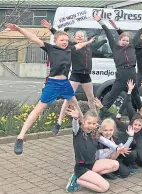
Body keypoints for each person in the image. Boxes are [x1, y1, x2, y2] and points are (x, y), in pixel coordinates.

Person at [6, 23, 94, 155]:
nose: (64, 42)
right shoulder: (50, 48)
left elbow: (79, 45)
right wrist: (19, 29)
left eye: (66, 40)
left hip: (65, 83)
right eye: (62, 40)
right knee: (38, 109)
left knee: (76, 105)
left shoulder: (69, 49)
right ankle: (20, 137)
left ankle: (87, 130)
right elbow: (33, 38)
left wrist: (88, 41)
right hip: (53, 83)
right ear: (55, 41)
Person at [40, 19, 108, 135]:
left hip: (86, 76)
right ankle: (59, 123)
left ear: (85, 38)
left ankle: (94, 119)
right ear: (74, 38)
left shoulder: (89, 47)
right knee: (68, 99)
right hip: (75, 75)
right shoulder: (71, 46)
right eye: (78, 36)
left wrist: (104, 37)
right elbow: (59, 35)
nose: (80, 38)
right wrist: (51, 28)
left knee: (91, 98)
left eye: (82, 36)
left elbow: (99, 42)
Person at [64, 108, 130, 193]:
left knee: (115, 165)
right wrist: (75, 118)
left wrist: (117, 148)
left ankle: (89, 177)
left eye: (94, 123)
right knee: (105, 187)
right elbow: (75, 125)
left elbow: (106, 141)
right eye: (89, 123)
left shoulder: (94, 133)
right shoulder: (78, 132)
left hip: (92, 164)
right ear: (83, 121)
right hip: (81, 168)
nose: (91, 125)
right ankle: (77, 180)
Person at [95, 15, 142, 112]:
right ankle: (101, 115)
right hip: (121, 73)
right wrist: (101, 21)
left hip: (132, 72)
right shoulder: (115, 47)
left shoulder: (131, 46)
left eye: (126, 41)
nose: (125, 42)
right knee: (112, 95)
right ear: (119, 41)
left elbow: (137, 36)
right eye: (123, 40)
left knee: (135, 94)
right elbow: (108, 34)